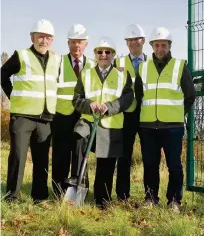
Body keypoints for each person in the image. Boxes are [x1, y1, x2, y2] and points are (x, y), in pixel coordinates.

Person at [67, 37, 134, 208]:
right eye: (100, 52)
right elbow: (76, 99)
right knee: (78, 139)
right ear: (95, 54)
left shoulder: (122, 74)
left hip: (110, 125)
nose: (103, 55)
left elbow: (128, 97)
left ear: (113, 55)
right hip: (89, 121)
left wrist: (109, 107)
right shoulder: (86, 74)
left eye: (107, 52)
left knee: (106, 164)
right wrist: (90, 105)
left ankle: (101, 199)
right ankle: (79, 183)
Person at [135, 27, 196, 212]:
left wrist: (178, 113)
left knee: (174, 166)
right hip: (148, 127)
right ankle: (151, 199)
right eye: (157, 45)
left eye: (164, 45)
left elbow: (190, 95)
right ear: (152, 46)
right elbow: (139, 96)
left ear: (169, 46)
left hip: (172, 127)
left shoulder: (180, 66)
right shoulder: (143, 68)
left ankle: (174, 201)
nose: (160, 48)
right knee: (150, 165)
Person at [1, 19, 60, 203]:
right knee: (18, 156)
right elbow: (3, 74)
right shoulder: (21, 55)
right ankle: (12, 196)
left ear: (52, 40)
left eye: (48, 37)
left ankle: (40, 196)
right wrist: (13, 96)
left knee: (42, 158)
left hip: (45, 117)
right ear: (32, 37)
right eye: (40, 36)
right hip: (23, 116)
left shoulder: (57, 59)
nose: (44, 41)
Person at [51, 24, 96, 197]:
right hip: (62, 116)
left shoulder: (92, 65)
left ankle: (78, 191)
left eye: (80, 42)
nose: (77, 46)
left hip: (83, 117)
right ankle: (58, 192)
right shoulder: (58, 61)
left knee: (81, 154)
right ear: (68, 43)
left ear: (86, 44)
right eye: (73, 42)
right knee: (60, 155)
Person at [114, 24, 147, 201]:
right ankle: (122, 195)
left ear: (143, 41)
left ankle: (150, 196)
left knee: (149, 156)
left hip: (147, 115)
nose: (134, 43)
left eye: (137, 39)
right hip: (125, 115)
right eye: (130, 40)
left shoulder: (151, 62)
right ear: (126, 43)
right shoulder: (118, 62)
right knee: (124, 155)